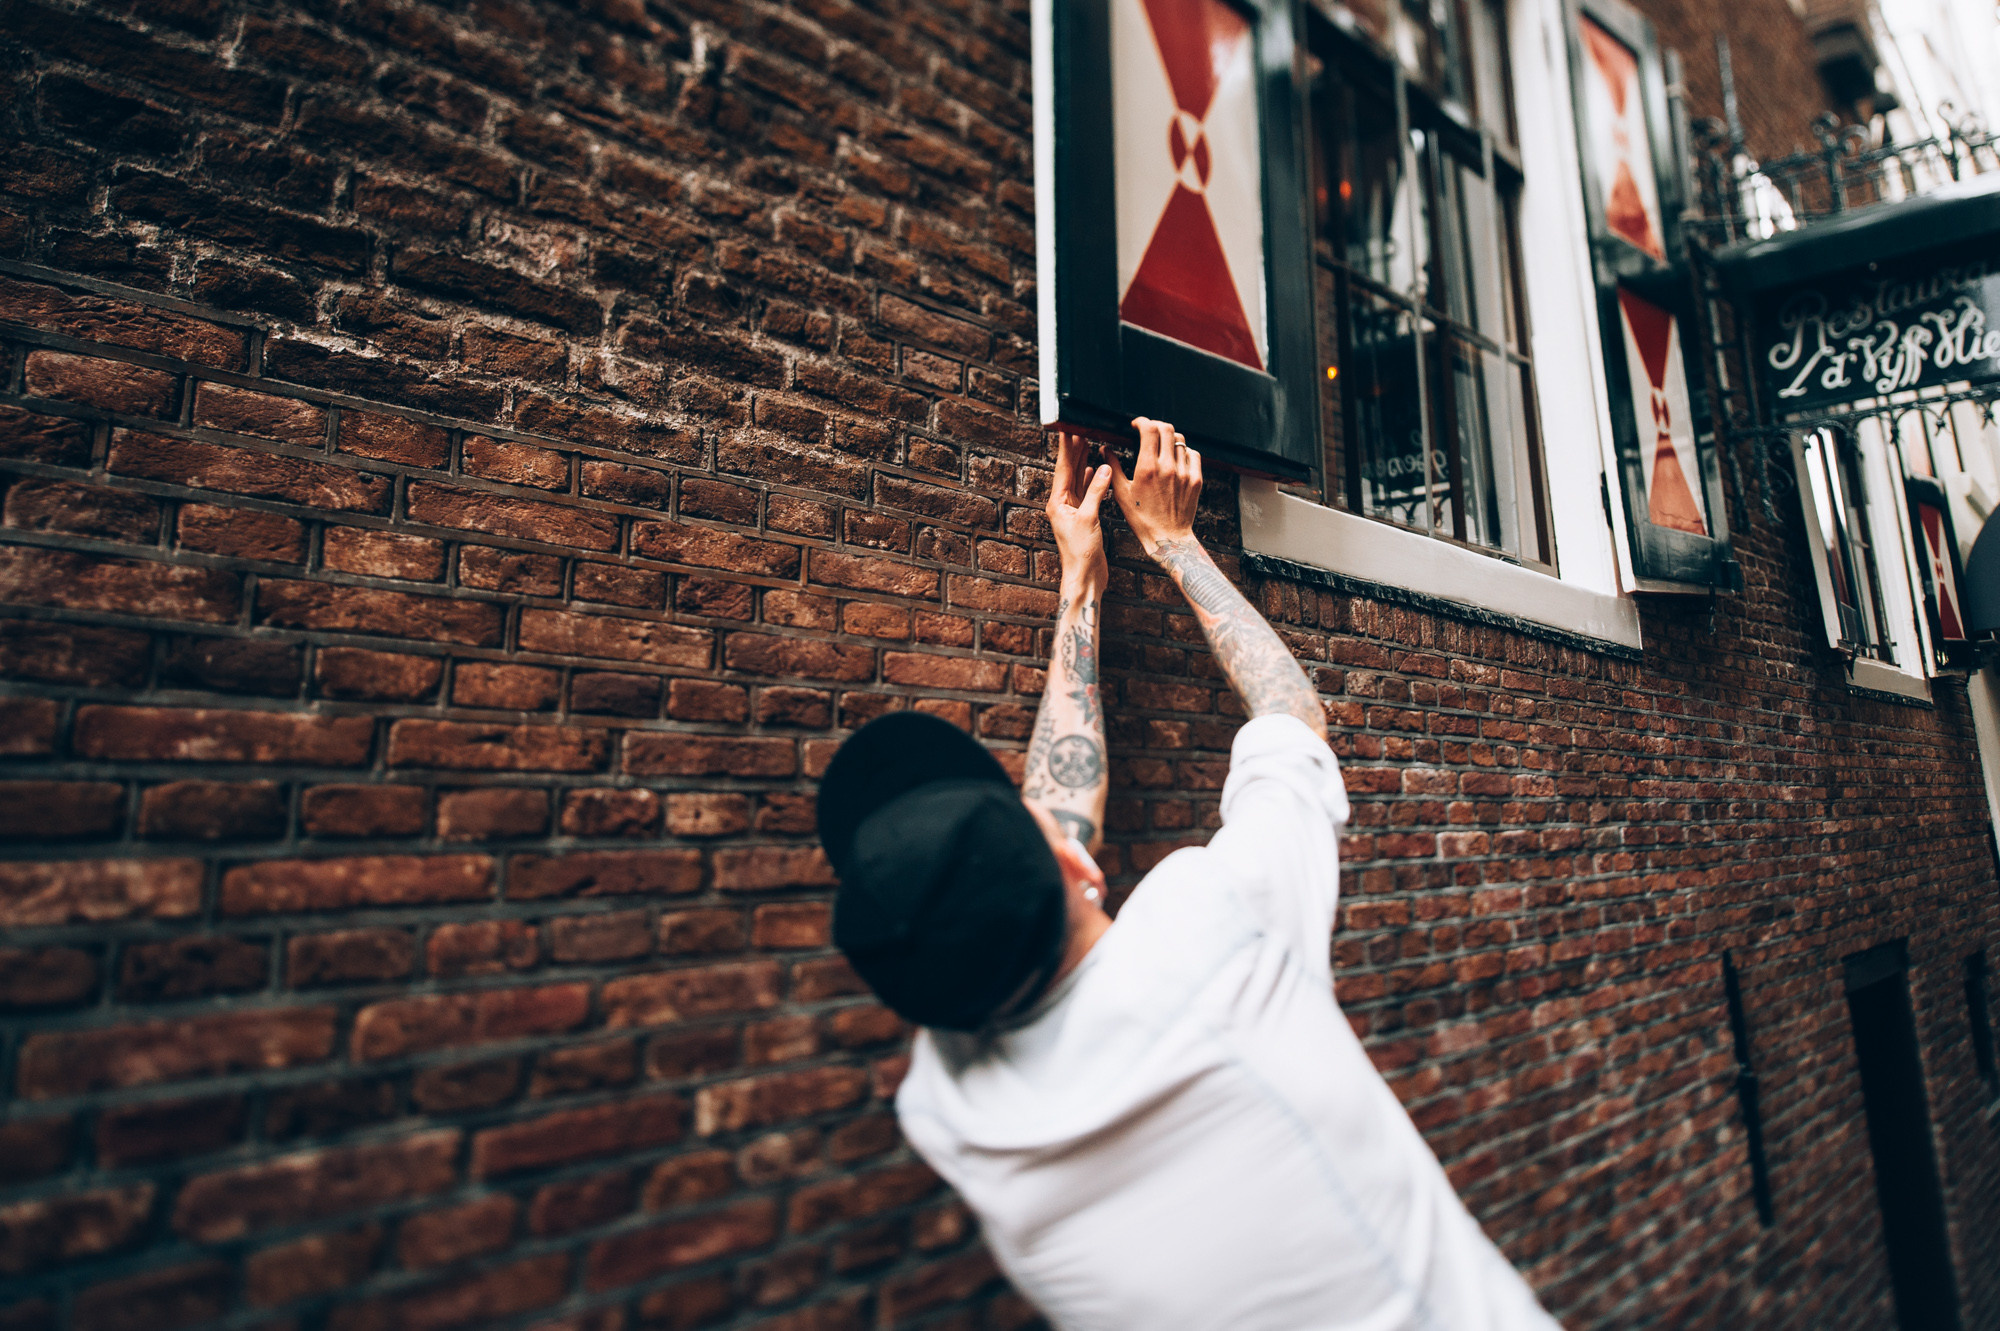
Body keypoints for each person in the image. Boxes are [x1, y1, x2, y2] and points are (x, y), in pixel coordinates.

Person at [815, 418, 1562, 1330]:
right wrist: (1172, 541)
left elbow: (1035, 862)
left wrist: (1079, 584)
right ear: (1061, 862)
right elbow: (1292, 716)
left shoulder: (950, 1117)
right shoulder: (1213, 929)